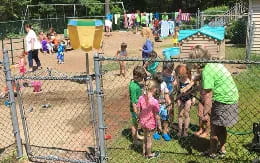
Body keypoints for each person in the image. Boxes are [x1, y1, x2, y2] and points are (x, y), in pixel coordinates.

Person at [190, 45, 239, 158]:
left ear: (197, 61)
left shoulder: (207, 71)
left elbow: (208, 97)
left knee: (214, 128)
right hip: (232, 97)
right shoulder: (214, 64)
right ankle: (222, 149)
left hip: (223, 100)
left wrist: (205, 114)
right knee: (221, 127)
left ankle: (212, 152)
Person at [137, 79, 160, 158]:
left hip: (143, 122)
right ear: (153, 89)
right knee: (149, 140)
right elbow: (157, 115)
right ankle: (149, 154)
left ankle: (144, 153)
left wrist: (139, 118)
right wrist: (158, 125)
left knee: (145, 137)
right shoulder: (154, 101)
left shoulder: (141, 98)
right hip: (150, 123)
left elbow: (138, 110)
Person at [129, 66, 147, 145]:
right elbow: (133, 101)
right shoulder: (133, 86)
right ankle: (135, 140)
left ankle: (137, 135)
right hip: (135, 108)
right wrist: (136, 111)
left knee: (137, 123)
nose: (142, 80)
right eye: (141, 78)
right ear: (136, 77)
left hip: (139, 106)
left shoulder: (135, 83)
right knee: (135, 124)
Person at [175, 65, 195, 137]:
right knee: (180, 114)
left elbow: (193, 90)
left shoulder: (191, 79)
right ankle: (180, 130)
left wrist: (193, 98)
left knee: (186, 114)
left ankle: (185, 131)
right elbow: (177, 89)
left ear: (187, 73)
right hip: (180, 98)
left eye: (184, 75)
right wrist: (177, 98)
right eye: (181, 75)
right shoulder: (178, 79)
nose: (182, 77)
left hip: (188, 98)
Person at [153, 72, 172, 141]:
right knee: (155, 118)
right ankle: (156, 131)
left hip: (163, 105)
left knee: (165, 118)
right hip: (155, 105)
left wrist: (169, 103)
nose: (160, 83)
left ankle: (164, 132)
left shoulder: (163, 84)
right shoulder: (152, 85)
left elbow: (166, 95)